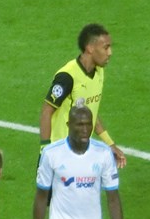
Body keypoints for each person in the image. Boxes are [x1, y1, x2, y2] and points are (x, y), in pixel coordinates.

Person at [39, 23, 126, 169]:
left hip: (80, 154)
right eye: (105, 47)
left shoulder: (99, 72)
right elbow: (47, 111)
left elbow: (91, 112)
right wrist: (45, 150)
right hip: (58, 155)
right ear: (90, 48)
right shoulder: (67, 77)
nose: (110, 52)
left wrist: (110, 144)